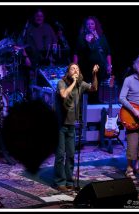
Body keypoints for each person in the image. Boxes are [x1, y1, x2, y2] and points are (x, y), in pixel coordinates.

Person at [54, 63, 99, 191]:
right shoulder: (61, 83)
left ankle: (69, 180)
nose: (75, 71)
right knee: (60, 154)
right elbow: (63, 95)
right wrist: (73, 83)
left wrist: (94, 74)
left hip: (71, 124)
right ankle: (59, 181)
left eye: (77, 69)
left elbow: (94, 88)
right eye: (73, 69)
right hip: (60, 124)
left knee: (71, 154)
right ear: (68, 71)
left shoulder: (81, 84)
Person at [73, 16, 112, 103]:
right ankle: (86, 107)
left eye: (92, 24)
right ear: (85, 26)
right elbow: (76, 53)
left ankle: (95, 105)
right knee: (88, 88)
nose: (90, 25)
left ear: (95, 25)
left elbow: (108, 52)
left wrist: (109, 65)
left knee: (97, 89)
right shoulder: (81, 38)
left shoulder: (101, 37)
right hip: (86, 68)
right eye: (88, 24)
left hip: (100, 68)